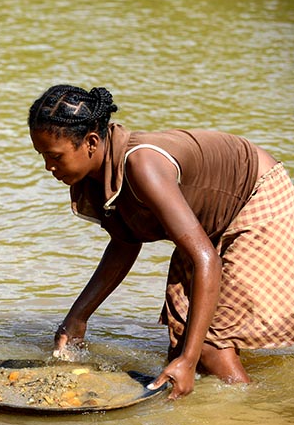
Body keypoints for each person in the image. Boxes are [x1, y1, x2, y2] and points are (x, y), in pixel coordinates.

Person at [28, 84, 294, 399]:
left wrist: (190, 359)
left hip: (254, 196)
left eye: (54, 156)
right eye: (42, 156)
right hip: (207, 215)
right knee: (181, 343)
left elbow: (204, 258)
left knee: (207, 347)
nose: (48, 167)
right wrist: (77, 318)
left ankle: (248, 418)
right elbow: (125, 243)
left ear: (91, 142)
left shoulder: (143, 166)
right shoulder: (96, 177)